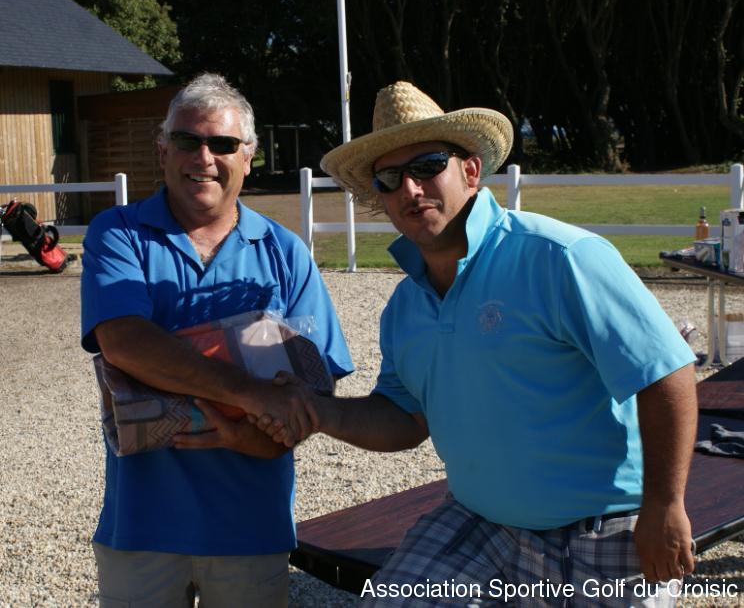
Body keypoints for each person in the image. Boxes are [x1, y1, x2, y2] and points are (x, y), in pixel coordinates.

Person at [261, 81, 699, 607]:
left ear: (470, 170)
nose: (410, 188)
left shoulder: (559, 257)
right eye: (389, 178)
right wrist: (315, 411)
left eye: (427, 166)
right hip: (483, 522)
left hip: (607, 523)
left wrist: (665, 505)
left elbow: (665, 372)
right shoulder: (405, 306)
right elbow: (405, 419)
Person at [80, 72, 353, 607]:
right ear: (163, 150)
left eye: (223, 144)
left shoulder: (286, 251)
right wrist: (248, 393)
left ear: (248, 157)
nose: (203, 157)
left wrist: (247, 438)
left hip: (251, 527)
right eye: (187, 140)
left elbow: (315, 388)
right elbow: (125, 342)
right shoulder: (118, 233)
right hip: (141, 527)